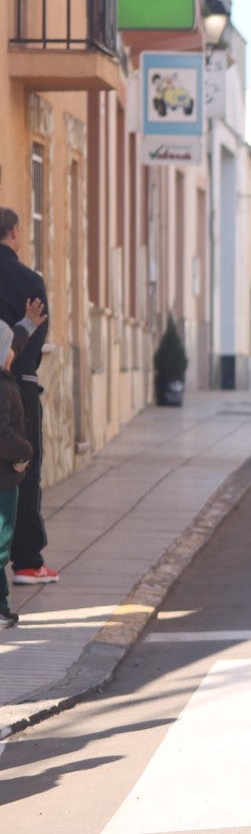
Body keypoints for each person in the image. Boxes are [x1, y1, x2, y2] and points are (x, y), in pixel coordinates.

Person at [0, 207, 56, 586]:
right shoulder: (29, 280)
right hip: (18, 384)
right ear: (16, 232)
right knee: (24, 467)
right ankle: (26, 562)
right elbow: (39, 336)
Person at [0, 318, 36, 627]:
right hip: (3, 481)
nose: (14, 351)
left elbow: (10, 342)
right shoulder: (1, 386)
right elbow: (2, 434)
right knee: (0, 545)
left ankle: (1, 607)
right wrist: (25, 452)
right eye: (9, 348)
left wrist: (27, 326)